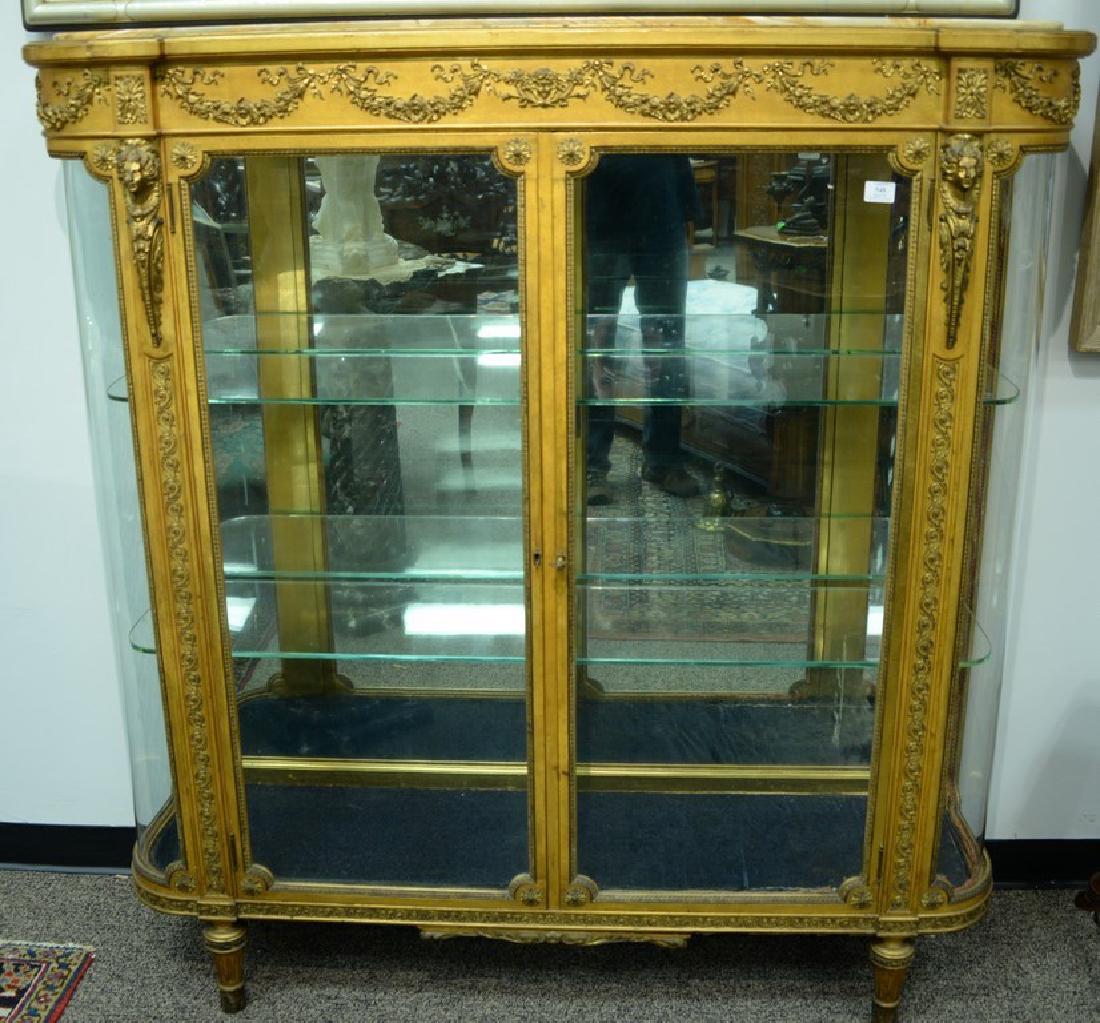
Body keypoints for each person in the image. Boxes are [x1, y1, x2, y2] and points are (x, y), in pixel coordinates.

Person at [584, 154, 702, 505]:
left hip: (661, 206)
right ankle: (592, 463)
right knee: (596, 340)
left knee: (666, 339)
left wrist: (684, 207)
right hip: (596, 210)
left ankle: (664, 459)